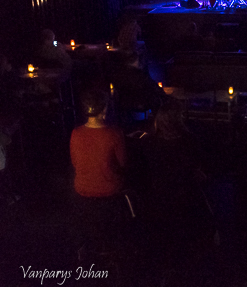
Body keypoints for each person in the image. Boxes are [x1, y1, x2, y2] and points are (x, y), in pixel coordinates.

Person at [141, 99, 214, 272]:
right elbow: (197, 169)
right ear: (178, 119)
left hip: (158, 199)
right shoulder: (189, 141)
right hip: (185, 199)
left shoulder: (149, 142)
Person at [70, 89, 127, 253]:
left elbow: (75, 163)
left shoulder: (76, 133)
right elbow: (123, 163)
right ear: (104, 109)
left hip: (82, 190)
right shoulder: (114, 134)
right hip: (108, 191)